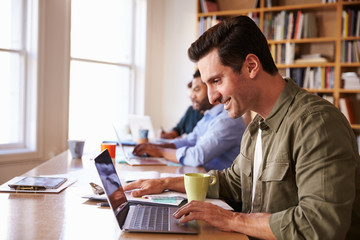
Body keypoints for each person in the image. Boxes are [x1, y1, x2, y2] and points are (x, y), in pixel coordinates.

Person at [124, 15, 360, 239]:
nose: (213, 97)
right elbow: (232, 182)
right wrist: (164, 183)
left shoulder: (316, 123)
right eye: (207, 84)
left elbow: (318, 226)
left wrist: (231, 219)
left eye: (216, 81)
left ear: (251, 66)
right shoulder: (256, 127)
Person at [133, 70, 246, 171]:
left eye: (196, 90)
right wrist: (157, 146)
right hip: (204, 179)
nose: (192, 96)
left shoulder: (228, 120)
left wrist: (160, 152)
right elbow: (188, 141)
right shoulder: (208, 116)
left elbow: (197, 156)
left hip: (220, 189)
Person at [160, 70, 204, 139]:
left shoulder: (213, 116)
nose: (192, 96)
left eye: (196, 90)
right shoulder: (191, 110)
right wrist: (169, 135)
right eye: (191, 92)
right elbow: (178, 129)